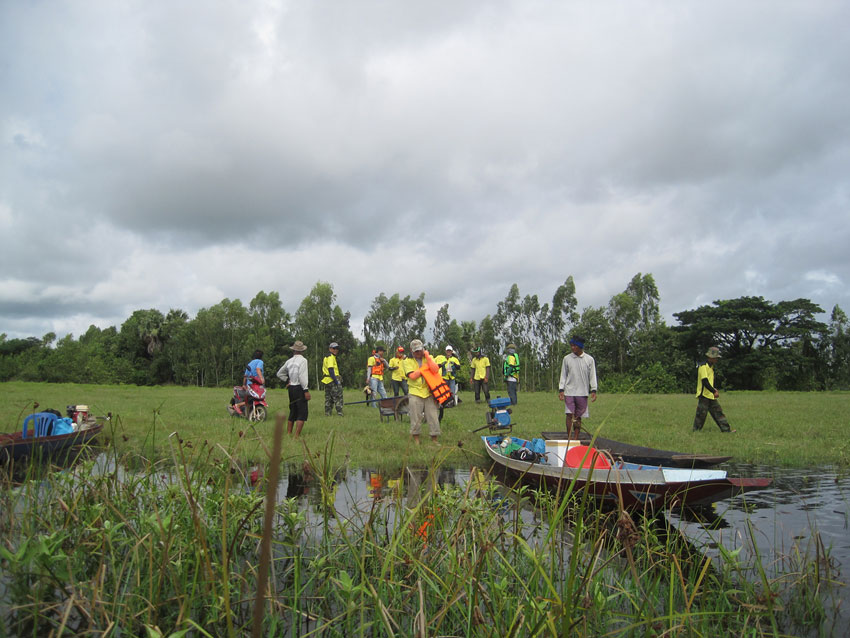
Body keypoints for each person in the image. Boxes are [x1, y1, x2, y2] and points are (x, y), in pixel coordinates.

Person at [402, 339, 441, 445]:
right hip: (415, 392)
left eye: (420, 350)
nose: (418, 353)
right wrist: (425, 368)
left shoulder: (429, 358)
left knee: (433, 416)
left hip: (429, 392)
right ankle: (416, 440)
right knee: (415, 417)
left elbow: (435, 369)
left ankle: (434, 439)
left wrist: (427, 356)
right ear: (411, 350)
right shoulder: (407, 361)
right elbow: (413, 376)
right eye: (415, 351)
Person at [557, 336, 597, 438]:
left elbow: (592, 375)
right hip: (569, 391)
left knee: (578, 416)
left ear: (580, 346)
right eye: (571, 346)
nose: (572, 348)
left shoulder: (589, 359)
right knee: (569, 414)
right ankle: (569, 437)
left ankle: (576, 437)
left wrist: (593, 389)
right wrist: (561, 389)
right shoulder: (567, 359)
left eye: (575, 346)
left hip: (582, 392)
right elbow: (563, 375)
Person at [693, 346, 736, 433]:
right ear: (711, 357)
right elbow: (704, 381)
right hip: (704, 395)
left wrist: (713, 390)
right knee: (701, 415)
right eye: (716, 358)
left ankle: (726, 430)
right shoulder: (703, 366)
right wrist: (714, 391)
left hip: (710, 394)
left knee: (718, 412)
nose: (717, 360)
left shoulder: (710, 367)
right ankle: (696, 431)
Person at [277, 340, 311, 438]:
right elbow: (302, 376)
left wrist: (287, 380)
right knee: (302, 412)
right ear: (302, 351)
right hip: (299, 388)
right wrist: (306, 390)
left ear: (294, 350)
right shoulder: (303, 361)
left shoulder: (289, 361)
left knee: (293, 410)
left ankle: (288, 433)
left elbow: (279, 373)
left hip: (291, 388)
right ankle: (296, 435)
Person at [232, 350, 265, 416]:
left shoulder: (250, 363)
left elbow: (245, 376)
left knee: (251, 400)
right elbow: (258, 369)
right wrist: (261, 379)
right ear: (261, 356)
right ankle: (238, 405)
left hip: (249, 385)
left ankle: (245, 409)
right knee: (257, 399)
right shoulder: (260, 362)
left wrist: (244, 385)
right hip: (256, 385)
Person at [321, 342, 344, 417]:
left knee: (328, 397)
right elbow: (331, 369)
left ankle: (328, 413)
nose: (336, 350)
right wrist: (336, 381)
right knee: (338, 397)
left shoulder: (327, 357)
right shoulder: (331, 357)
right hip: (332, 379)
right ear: (330, 349)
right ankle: (339, 413)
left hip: (326, 380)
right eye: (334, 348)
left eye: (337, 348)